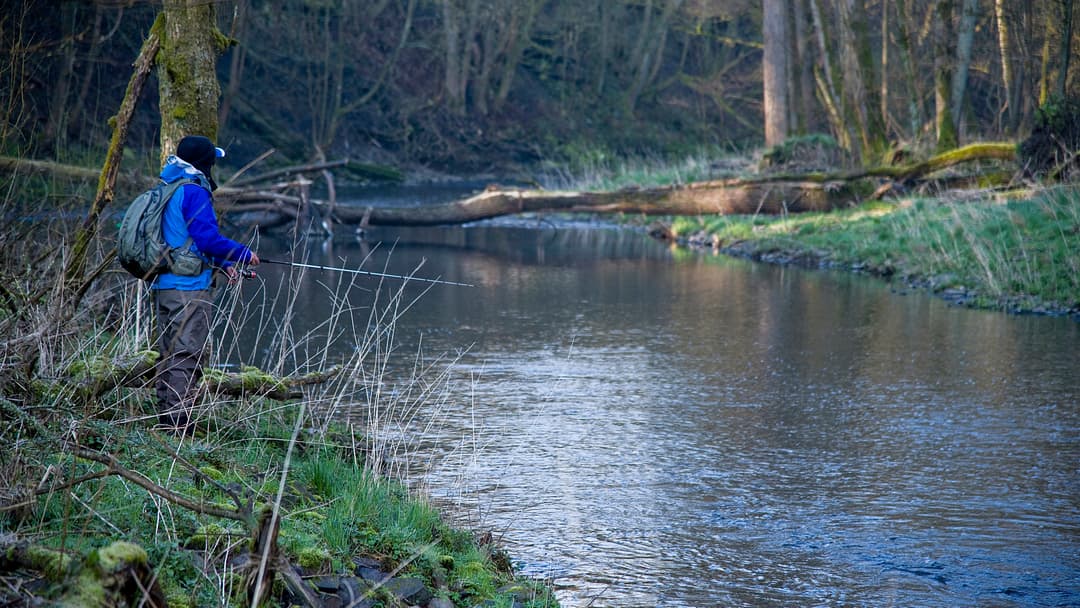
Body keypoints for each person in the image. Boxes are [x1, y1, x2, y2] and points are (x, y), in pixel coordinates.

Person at [152, 135, 259, 434]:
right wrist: (243, 254)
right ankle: (178, 424)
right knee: (187, 353)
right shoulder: (194, 191)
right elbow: (207, 239)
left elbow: (181, 238)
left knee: (170, 353)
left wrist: (224, 264)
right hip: (187, 288)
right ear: (204, 162)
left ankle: (168, 419)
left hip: (165, 283)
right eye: (212, 160)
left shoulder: (168, 185)